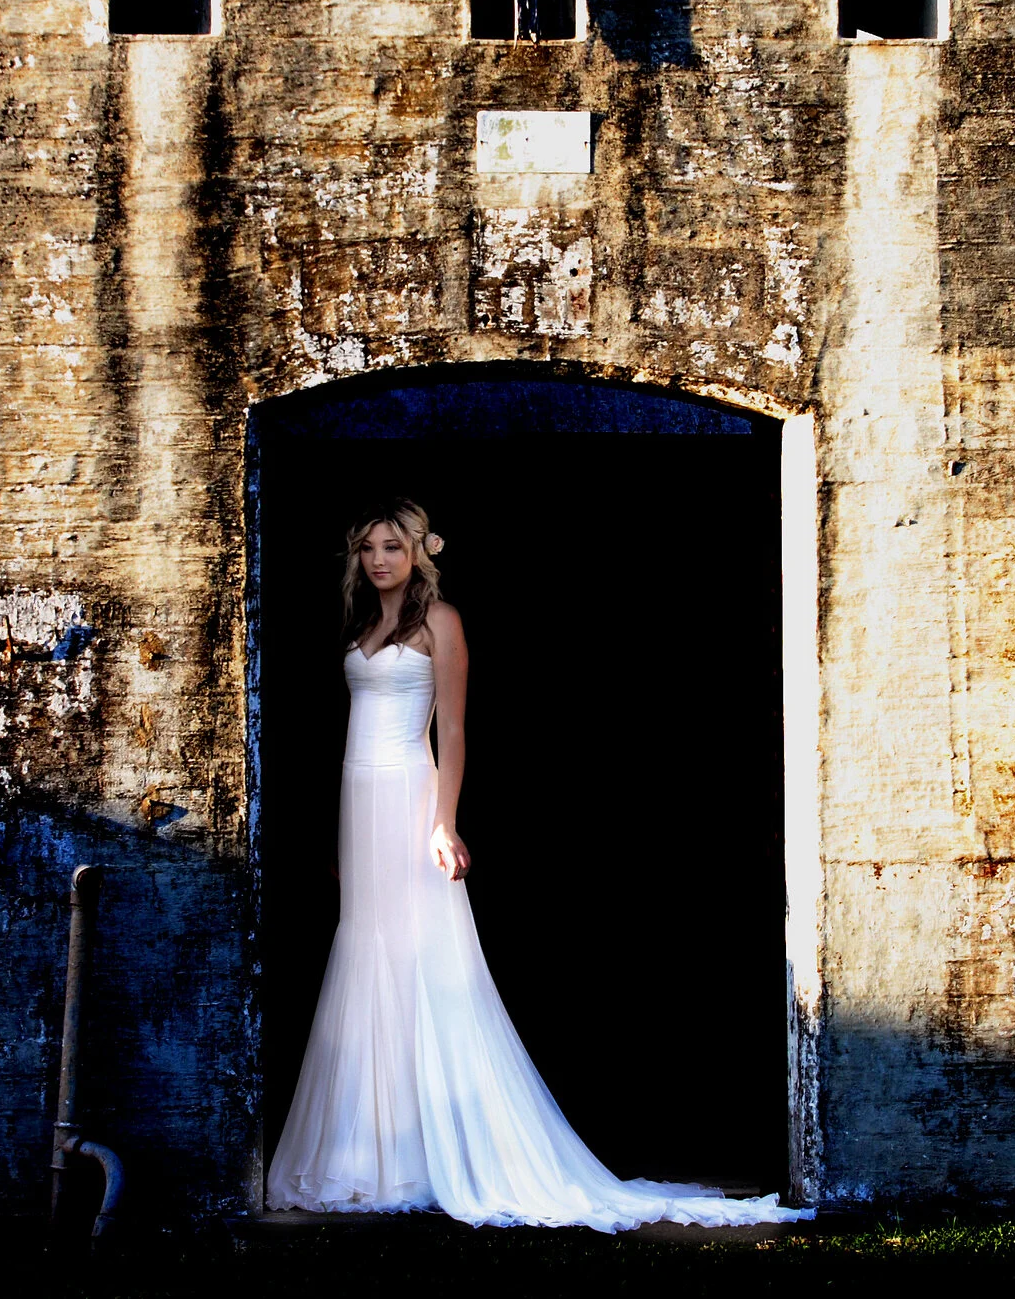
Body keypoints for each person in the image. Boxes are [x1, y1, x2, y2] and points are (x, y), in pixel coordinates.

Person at [266, 498, 812, 1231]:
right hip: (355, 796)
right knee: (364, 952)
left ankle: (439, 1146)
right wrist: (339, 842)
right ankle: (369, 1152)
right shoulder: (361, 625)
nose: (379, 559)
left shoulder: (441, 621)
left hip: (407, 791)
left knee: (423, 959)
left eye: (392, 546)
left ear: (418, 553)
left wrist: (442, 821)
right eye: (368, 548)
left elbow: (454, 730)